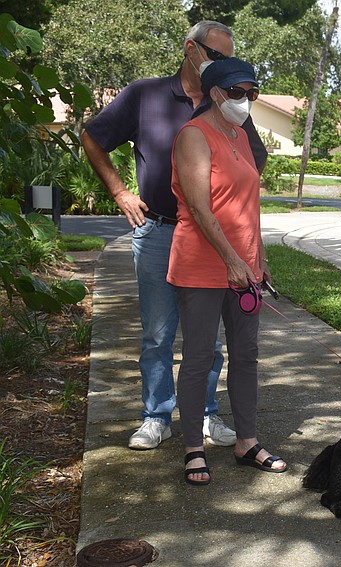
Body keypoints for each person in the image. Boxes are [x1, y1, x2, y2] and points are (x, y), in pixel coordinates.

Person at [81, 21, 268, 450]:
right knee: (158, 333)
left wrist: (241, 228)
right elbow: (92, 137)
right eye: (215, 56)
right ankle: (156, 415)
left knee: (209, 341)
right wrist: (119, 191)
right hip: (161, 231)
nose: (221, 65)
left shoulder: (229, 100)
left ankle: (205, 415)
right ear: (191, 49)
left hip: (217, 241)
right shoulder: (146, 95)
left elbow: (251, 163)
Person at [169, 57, 286, 485]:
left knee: (246, 357)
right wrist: (232, 260)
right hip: (202, 266)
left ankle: (246, 441)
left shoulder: (238, 135)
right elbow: (200, 206)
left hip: (244, 268)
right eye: (238, 92)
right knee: (199, 358)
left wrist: (258, 258)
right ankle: (193, 449)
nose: (247, 100)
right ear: (216, 93)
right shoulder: (193, 136)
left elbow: (246, 207)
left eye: (252, 93)